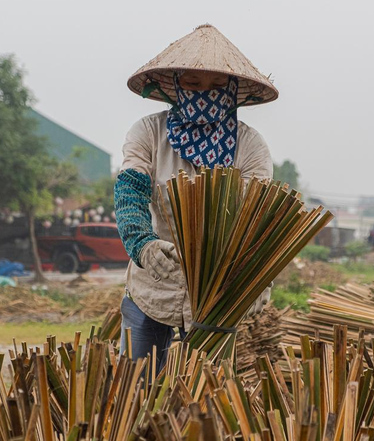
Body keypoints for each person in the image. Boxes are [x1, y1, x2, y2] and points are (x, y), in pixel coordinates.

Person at [115, 24, 278, 370]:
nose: (204, 93)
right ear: (174, 85)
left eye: (217, 86)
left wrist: (257, 276)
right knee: (133, 385)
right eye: (192, 83)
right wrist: (141, 243)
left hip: (221, 287)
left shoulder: (250, 146)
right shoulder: (148, 133)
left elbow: (256, 219)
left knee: (207, 394)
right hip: (155, 279)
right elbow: (130, 193)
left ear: (233, 90)